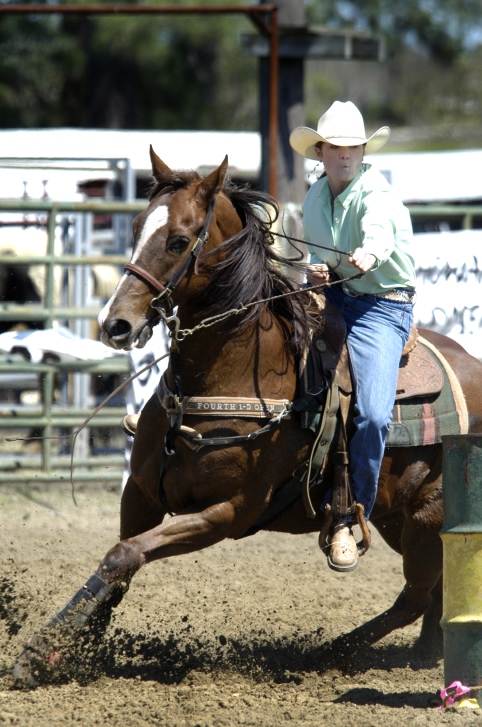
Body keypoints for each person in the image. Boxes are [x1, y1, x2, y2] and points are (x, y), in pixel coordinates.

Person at [289, 100, 416, 573]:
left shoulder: (375, 192)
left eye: (353, 147)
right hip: (339, 298)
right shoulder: (313, 199)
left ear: (363, 151)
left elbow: (379, 230)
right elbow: (316, 256)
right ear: (320, 151)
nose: (345, 155)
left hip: (384, 307)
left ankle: (351, 512)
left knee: (373, 414)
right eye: (336, 147)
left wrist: (370, 253)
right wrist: (317, 271)